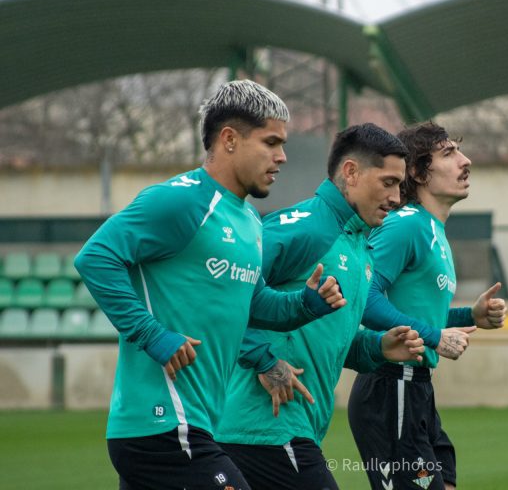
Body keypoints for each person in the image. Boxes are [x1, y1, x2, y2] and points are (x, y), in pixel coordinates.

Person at [74, 80, 344, 490]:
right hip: (163, 424)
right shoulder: (182, 201)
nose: (282, 156)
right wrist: (151, 334)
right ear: (230, 139)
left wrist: (306, 305)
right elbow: (95, 257)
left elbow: (255, 306)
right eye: (271, 142)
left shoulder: (251, 221)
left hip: (194, 426)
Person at [216, 123, 425, 490]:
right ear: (351, 172)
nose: (396, 197)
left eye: (400, 186)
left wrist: (377, 348)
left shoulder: (361, 247)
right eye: (389, 182)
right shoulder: (307, 228)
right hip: (263, 427)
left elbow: (325, 338)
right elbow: (223, 292)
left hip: (295, 428)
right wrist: (263, 360)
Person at [348, 121, 508, 490]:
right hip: (391, 388)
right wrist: (436, 336)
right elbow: (364, 298)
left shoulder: (433, 230)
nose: (465, 161)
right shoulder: (407, 225)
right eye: (449, 153)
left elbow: (414, 311)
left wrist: (471, 316)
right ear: (418, 172)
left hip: (417, 389)